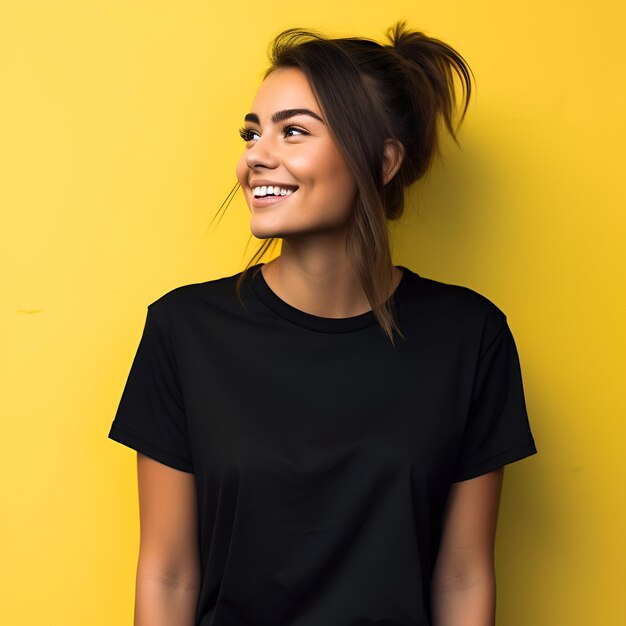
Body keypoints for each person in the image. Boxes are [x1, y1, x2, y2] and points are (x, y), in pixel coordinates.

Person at [108, 21, 537, 626]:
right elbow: (168, 572)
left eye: (294, 131)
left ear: (383, 161)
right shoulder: (184, 332)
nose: (255, 155)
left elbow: (464, 577)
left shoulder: (470, 338)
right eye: (253, 133)